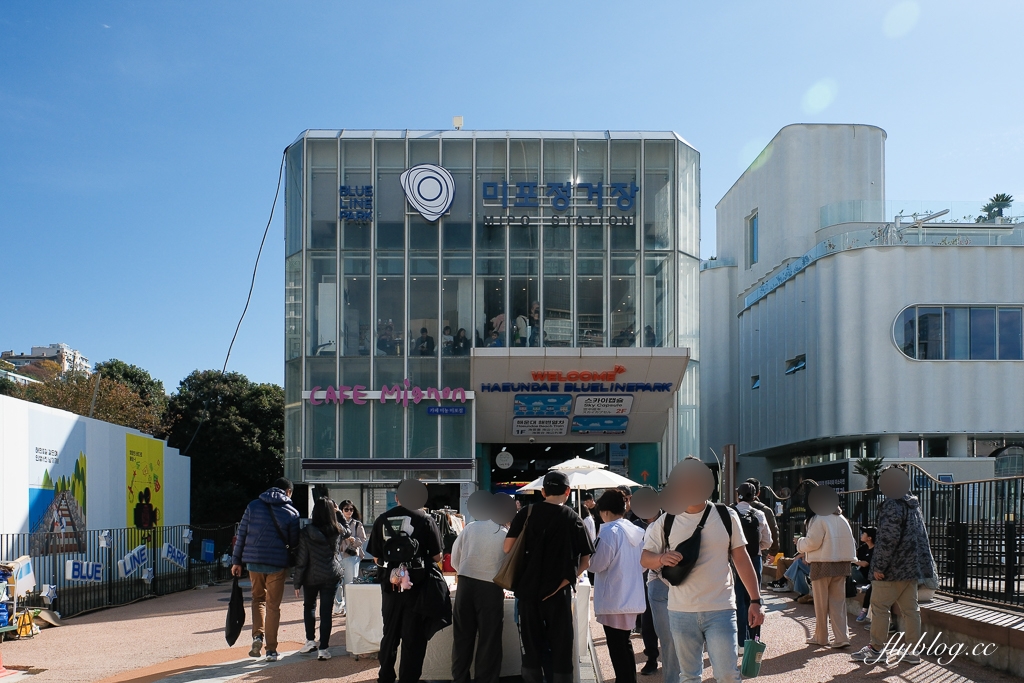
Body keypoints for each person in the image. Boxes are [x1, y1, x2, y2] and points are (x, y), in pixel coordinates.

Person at [640, 460, 764, 683]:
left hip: (721, 608)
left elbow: (742, 559)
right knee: (689, 676)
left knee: (727, 675)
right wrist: (660, 558)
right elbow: (645, 558)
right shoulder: (666, 520)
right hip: (680, 611)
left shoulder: (726, 515)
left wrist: (756, 600)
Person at [505, 471, 595, 683]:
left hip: (528, 591)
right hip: (559, 591)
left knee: (531, 646)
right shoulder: (574, 518)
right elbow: (586, 560)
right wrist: (569, 577)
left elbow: (508, 547)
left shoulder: (526, 513)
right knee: (561, 646)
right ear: (567, 491)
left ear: (543, 491)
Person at [852, 472, 935, 665]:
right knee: (911, 610)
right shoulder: (913, 504)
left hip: (892, 569)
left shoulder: (892, 504)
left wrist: (879, 566)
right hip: (911, 568)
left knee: (879, 607)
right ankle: (913, 651)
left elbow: (888, 539)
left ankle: (876, 649)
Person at [366, 488, 444, 683]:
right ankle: (408, 679)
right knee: (413, 638)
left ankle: (385, 676)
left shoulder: (382, 520)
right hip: (417, 587)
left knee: (390, 633)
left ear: (396, 498)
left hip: (390, 587)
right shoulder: (426, 519)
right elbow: (437, 556)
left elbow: (375, 557)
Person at [230, 477, 301, 663]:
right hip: (277, 564)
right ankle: (271, 650)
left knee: (258, 599)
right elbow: (294, 543)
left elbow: (241, 534)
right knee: (273, 606)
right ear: (288, 492)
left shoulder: (253, 506)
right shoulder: (292, 512)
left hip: (253, 562)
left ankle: (257, 637)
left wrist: (236, 561)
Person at [589, 490, 646, 683]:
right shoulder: (636, 531)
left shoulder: (608, 531)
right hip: (632, 596)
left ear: (604, 511)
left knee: (617, 647)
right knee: (624, 643)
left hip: (613, 597)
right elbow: (644, 564)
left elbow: (597, 564)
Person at [450, 508, 508, 683]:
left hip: (466, 583)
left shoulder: (470, 527)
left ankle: (460, 678)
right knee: (489, 639)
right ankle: (486, 679)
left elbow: (454, 556)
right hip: (491, 587)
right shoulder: (505, 533)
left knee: (462, 636)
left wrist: (462, 571)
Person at [797, 503, 857, 648]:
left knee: (821, 603)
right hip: (841, 564)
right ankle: (842, 637)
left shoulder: (819, 518)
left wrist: (799, 542)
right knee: (838, 603)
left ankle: (821, 636)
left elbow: (813, 542)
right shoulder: (842, 518)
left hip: (821, 564)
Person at [294, 497, 345, 661]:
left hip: (311, 575)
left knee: (309, 606)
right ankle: (323, 649)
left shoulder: (306, 532)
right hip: (331, 574)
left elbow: (301, 560)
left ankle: (310, 641)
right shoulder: (336, 529)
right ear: (332, 512)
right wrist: (339, 514)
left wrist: (297, 582)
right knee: (326, 612)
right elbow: (348, 532)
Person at [732, 483, 773, 649]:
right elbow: (767, 541)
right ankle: (754, 639)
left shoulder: (730, 512)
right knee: (754, 599)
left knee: (738, 599)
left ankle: (740, 641)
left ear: (738, 495)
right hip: (755, 559)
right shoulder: (759, 514)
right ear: (756, 495)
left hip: (734, 559)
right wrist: (756, 548)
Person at [641, 507, 677, 682]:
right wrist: (662, 559)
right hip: (661, 583)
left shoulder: (659, 524)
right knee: (670, 640)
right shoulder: (660, 524)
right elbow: (645, 559)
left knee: (680, 640)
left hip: (667, 583)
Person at [334, 500, 367, 616]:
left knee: (350, 582)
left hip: (352, 555)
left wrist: (353, 540)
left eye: (351, 509)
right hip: (337, 555)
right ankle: (338, 605)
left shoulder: (357, 524)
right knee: (337, 582)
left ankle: (349, 607)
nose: (349, 512)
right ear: (341, 510)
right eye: (346, 509)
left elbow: (363, 539)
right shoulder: (336, 522)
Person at [745, 478, 781, 558]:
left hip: (737, 553)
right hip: (759, 552)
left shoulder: (733, 509)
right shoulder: (766, 511)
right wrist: (773, 552)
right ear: (758, 493)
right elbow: (773, 532)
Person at [853, 527, 876, 622]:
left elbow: (865, 563)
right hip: (861, 575)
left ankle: (864, 611)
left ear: (869, 538)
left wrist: (853, 561)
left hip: (868, 577)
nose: (861, 535)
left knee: (852, 570)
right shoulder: (864, 546)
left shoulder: (876, 549)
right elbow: (855, 554)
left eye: (863, 534)